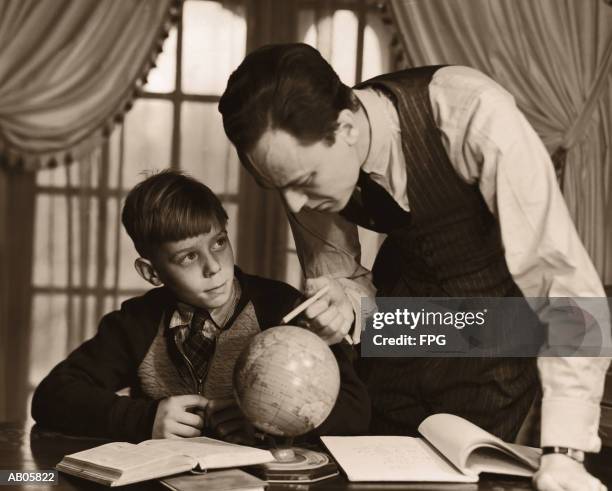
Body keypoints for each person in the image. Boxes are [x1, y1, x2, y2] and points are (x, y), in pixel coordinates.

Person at [218, 43, 611, 491]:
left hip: (495, 341)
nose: (294, 203)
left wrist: (564, 452)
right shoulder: (304, 157)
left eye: (304, 181)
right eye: (276, 187)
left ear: (345, 127)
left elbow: (568, 291)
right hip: (400, 335)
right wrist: (343, 311)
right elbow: (346, 284)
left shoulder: (474, 114)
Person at [31, 170, 370, 443]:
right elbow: (52, 396)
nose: (214, 266)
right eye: (189, 256)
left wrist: (267, 419)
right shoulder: (136, 322)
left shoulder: (282, 308)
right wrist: (144, 419)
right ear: (151, 272)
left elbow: (355, 412)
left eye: (219, 242)